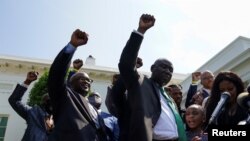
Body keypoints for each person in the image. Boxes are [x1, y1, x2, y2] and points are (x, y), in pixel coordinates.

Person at [117, 14, 187, 141]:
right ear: (152, 68)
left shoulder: (167, 97)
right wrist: (141, 31)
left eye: (170, 70)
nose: (167, 71)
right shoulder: (141, 83)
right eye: (164, 67)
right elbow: (126, 65)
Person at [48, 29, 108, 141]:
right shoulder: (65, 97)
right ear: (70, 83)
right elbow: (56, 74)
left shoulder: (94, 110)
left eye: (88, 80)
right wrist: (72, 45)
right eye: (81, 79)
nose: (86, 82)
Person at [8, 71, 54, 141]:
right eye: (47, 100)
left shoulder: (61, 117)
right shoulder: (33, 112)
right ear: (43, 102)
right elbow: (14, 100)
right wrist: (27, 82)